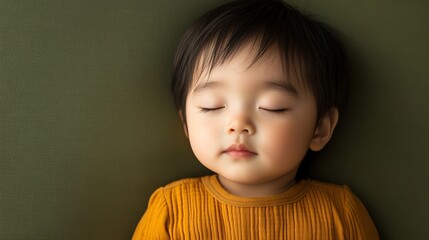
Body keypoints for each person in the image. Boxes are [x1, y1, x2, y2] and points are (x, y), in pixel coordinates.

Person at [132, 0, 379, 239]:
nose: (238, 124)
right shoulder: (172, 210)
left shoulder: (342, 215)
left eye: (273, 107)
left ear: (320, 129)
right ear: (186, 124)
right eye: (212, 106)